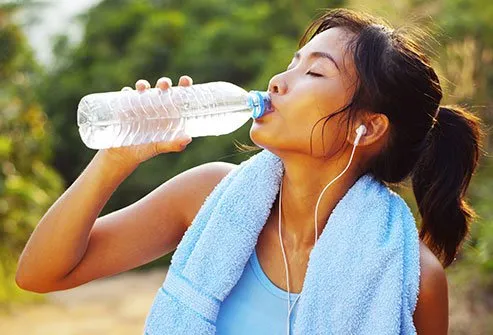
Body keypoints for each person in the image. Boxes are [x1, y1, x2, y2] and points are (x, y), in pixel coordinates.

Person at [16, 8, 482, 335]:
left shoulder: (411, 277)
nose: (279, 81)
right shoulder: (208, 194)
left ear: (367, 126)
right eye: (290, 64)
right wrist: (114, 159)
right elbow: (41, 274)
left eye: (314, 74)